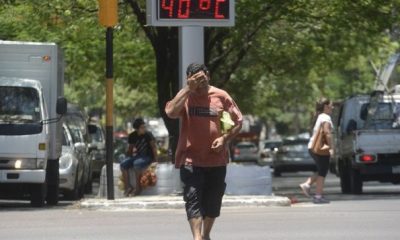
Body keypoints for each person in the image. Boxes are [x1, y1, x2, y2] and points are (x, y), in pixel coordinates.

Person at [165, 63, 243, 240]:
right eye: (195, 78)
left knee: (213, 203)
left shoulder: (221, 96)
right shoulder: (185, 96)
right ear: (188, 78)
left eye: (202, 77)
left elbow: (237, 121)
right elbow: (170, 112)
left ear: (208, 76)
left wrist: (224, 139)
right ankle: (197, 238)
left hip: (216, 160)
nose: (199, 81)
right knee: (192, 199)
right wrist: (187, 89)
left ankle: (206, 234)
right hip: (190, 160)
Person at [300, 98, 334, 204]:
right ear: (326, 107)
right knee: (323, 172)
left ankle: (307, 185)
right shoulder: (325, 117)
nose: (332, 107)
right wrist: (331, 147)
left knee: (321, 170)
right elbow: (327, 132)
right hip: (320, 148)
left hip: (313, 147)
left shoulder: (320, 116)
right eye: (331, 105)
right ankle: (318, 196)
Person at [120, 118, 158, 196]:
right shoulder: (132, 136)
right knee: (123, 164)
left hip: (147, 156)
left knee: (137, 163)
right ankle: (128, 187)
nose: (144, 129)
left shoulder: (148, 134)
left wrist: (155, 160)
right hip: (138, 156)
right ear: (137, 129)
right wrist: (129, 160)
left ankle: (138, 188)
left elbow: (154, 147)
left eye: (144, 127)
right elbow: (130, 149)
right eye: (142, 127)